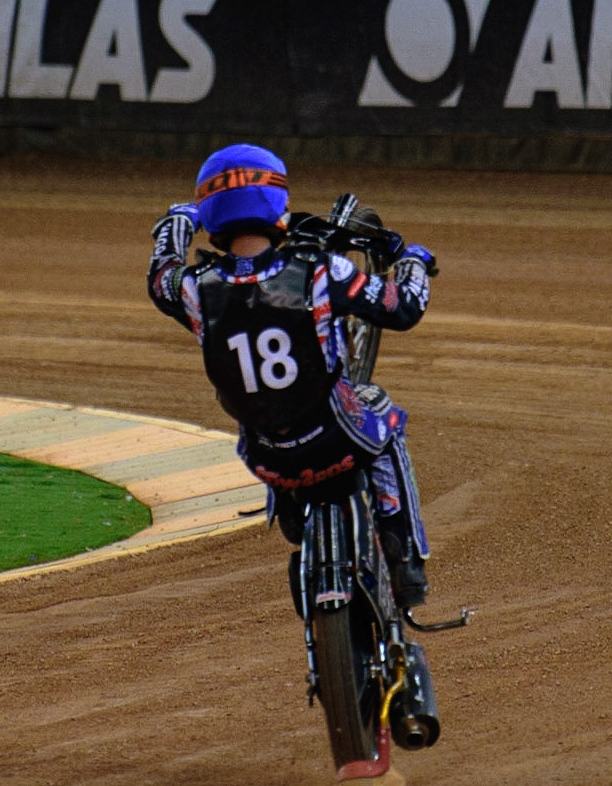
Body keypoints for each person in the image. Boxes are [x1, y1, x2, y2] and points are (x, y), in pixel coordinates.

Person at [147, 143, 435, 607]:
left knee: (261, 417)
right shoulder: (322, 271)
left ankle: (289, 507)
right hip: (339, 439)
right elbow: (403, 308)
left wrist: (178, 222)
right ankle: (405, 559)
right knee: (384, 415)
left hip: (265, 459)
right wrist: (416, 262)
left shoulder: (194, 289)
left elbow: (160, 273)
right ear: (276, 200)